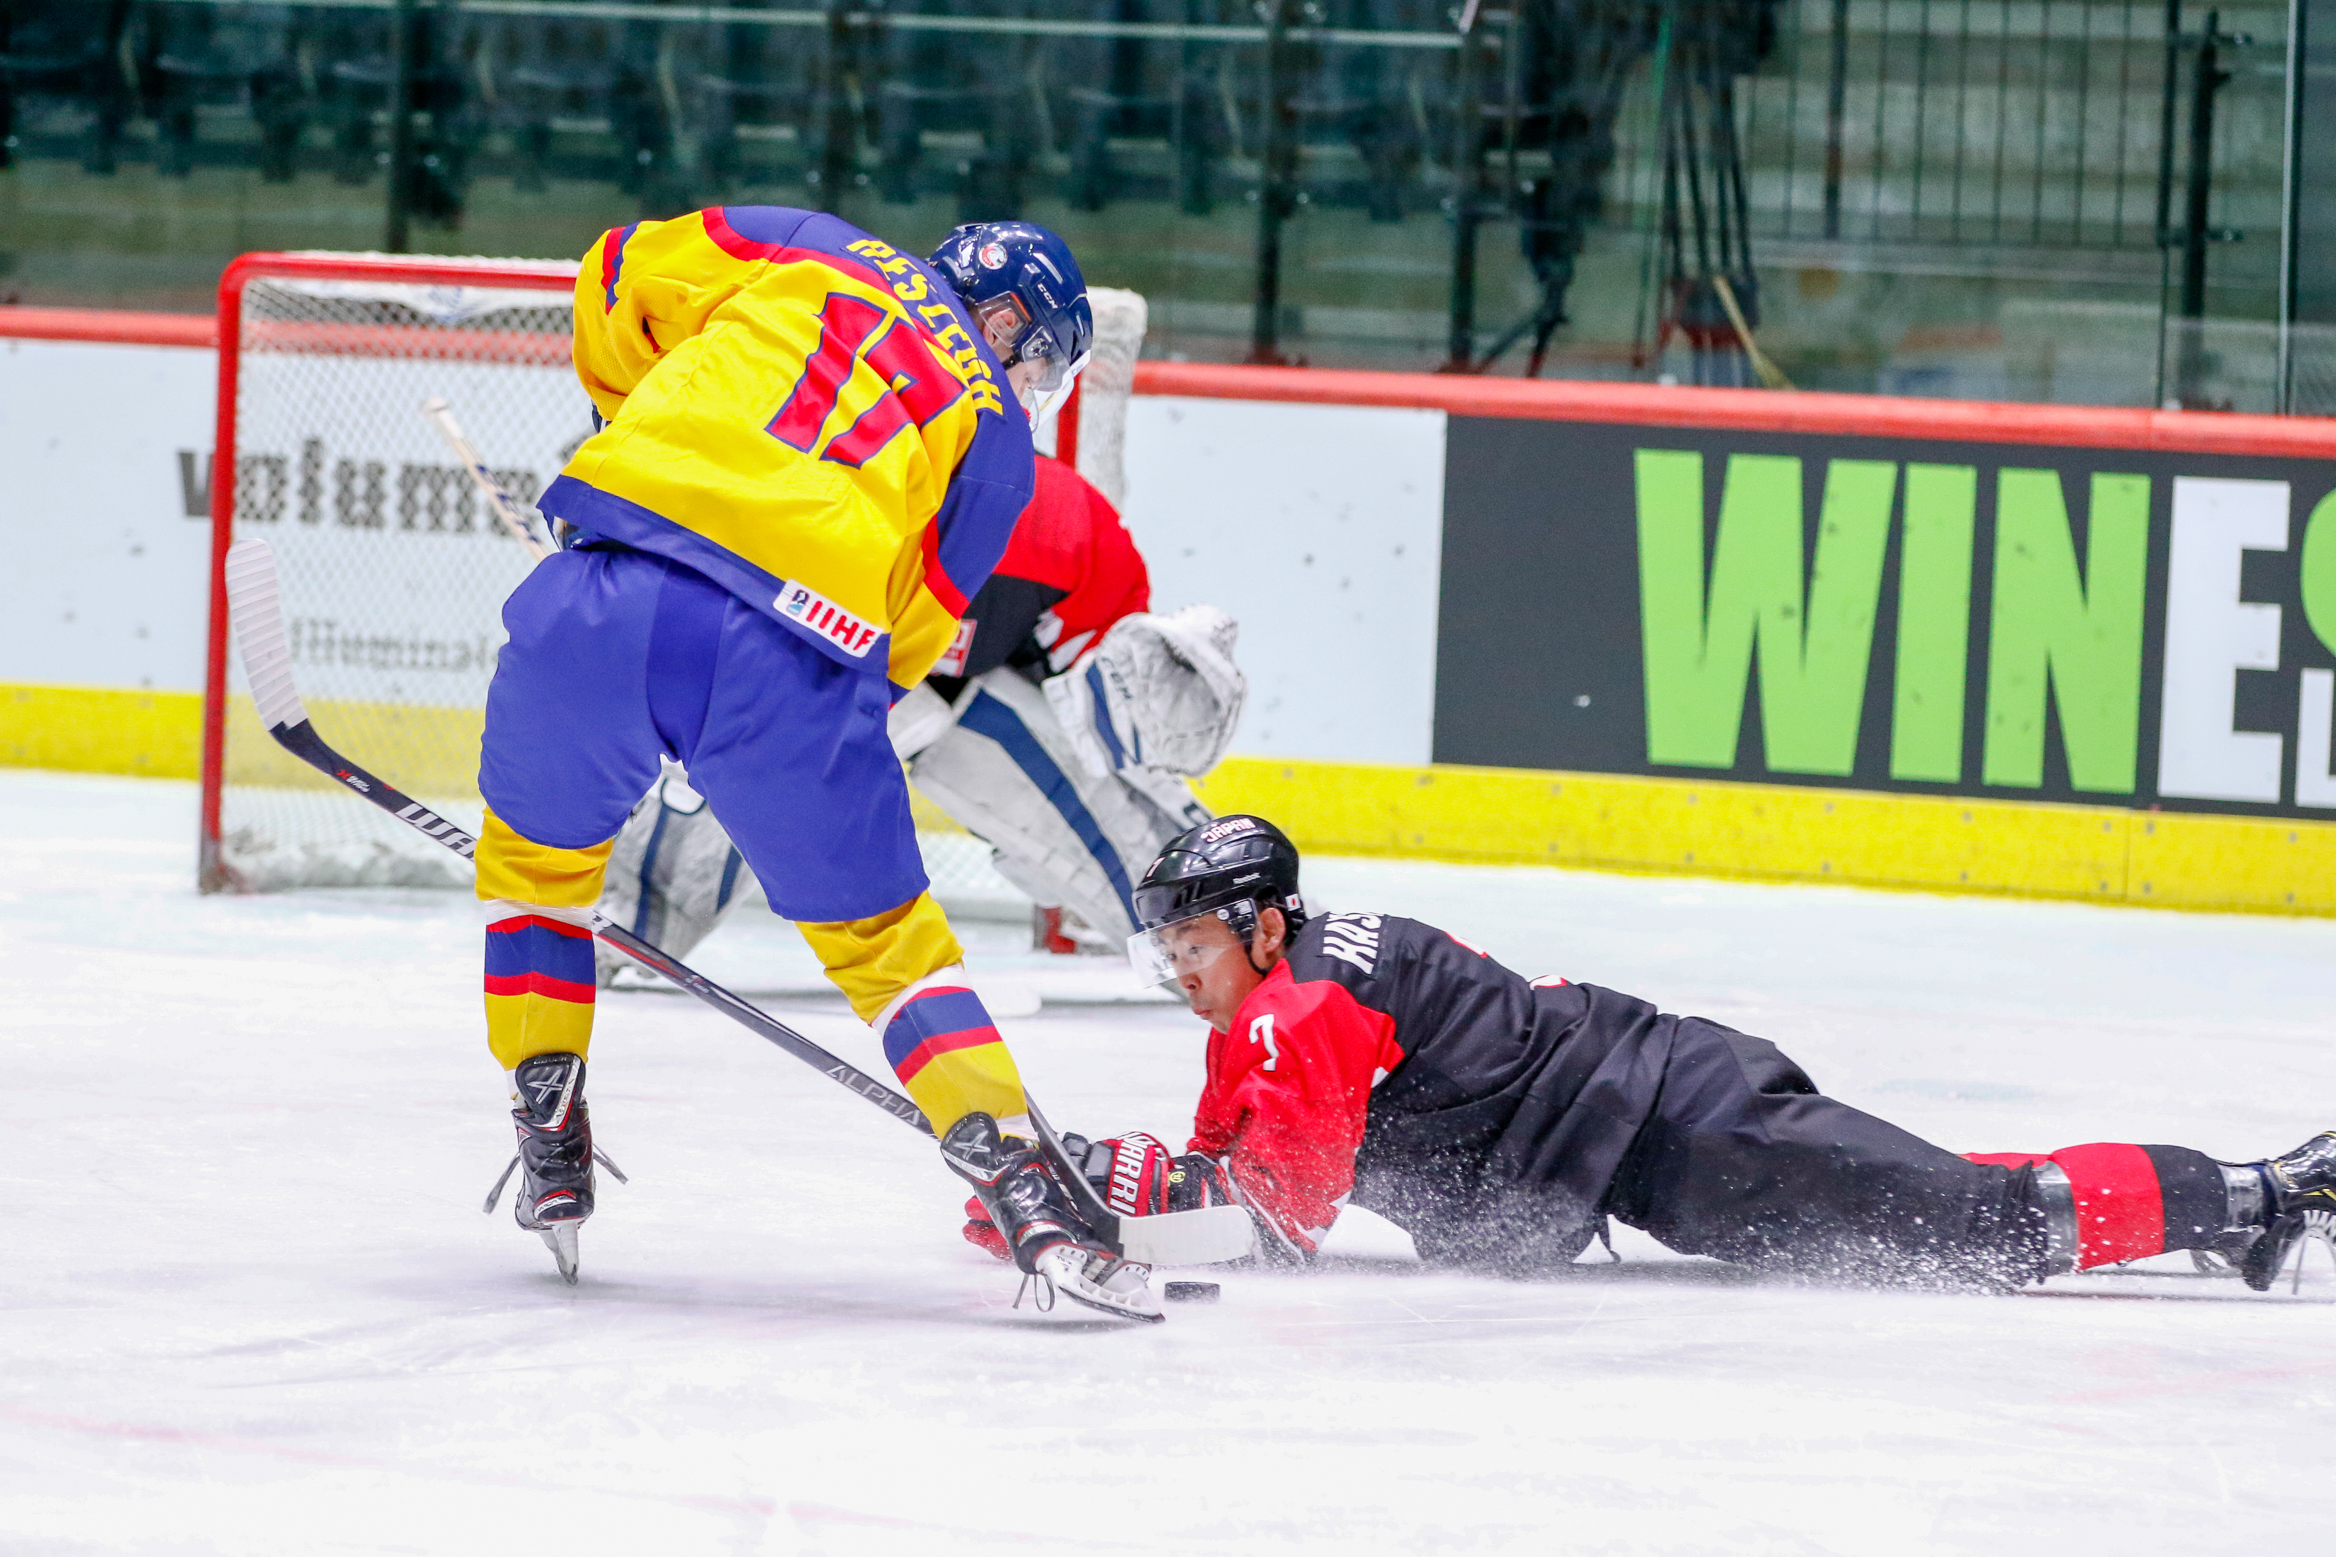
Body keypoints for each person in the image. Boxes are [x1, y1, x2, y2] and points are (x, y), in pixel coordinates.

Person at [473, 205, 1153, 1320]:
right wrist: (765, 735)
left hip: (596, 594)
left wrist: (631, 420)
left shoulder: (806, 242)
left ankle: (546, 1102)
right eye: (1034, 355)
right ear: (1000, 317)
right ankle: (1016, 1179)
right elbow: (915, 637)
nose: (1030, 383)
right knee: (891, 950)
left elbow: (611, 276)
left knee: (536, 873)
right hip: (782, 660)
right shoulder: (995, 449)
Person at [970, 814, 2336, 1294]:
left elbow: (1274, 1229)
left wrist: (1101, 1190)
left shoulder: (1298, 1009)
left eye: (1194, 941)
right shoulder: (1276, 996)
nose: (1178, 969)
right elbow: (1235, 1168)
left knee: (1982, 1222)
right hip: (1652, 1134)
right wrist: (1095, 1185)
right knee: (1956, 1210)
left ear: (1264, 924)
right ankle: (2220, 1212)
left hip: (1675, 1125)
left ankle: (2269, 1192)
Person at [589, 450, 1241, 980]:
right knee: (744, 762)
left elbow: (1086, 699)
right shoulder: (854, 490)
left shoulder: (1072, 534)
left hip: (956, 687)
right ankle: (627, 920)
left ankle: (1227, 927)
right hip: (821, 664)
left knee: (1095, 798)